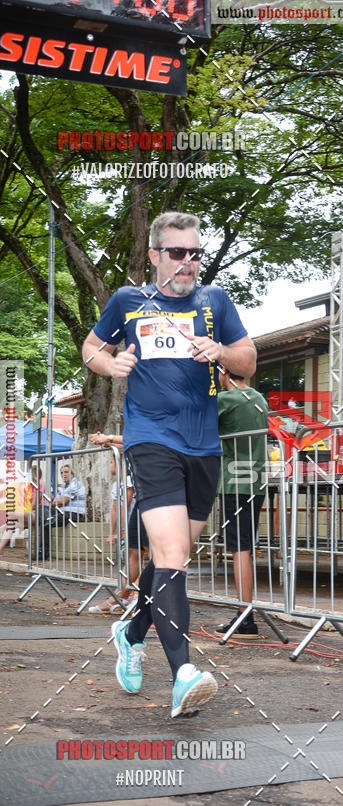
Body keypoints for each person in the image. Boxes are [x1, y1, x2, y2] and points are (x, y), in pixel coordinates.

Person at [81, 211, 256, 718]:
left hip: (203, 446)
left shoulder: (215, 302)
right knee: (173, 551)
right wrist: (109, 363)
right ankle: (183, 674)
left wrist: (219, 350)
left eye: (195, 253)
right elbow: (91, 346)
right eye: (177, 253)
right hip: (150, 438)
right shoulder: (127, 301)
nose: (187, 263)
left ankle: (131, 631)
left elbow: (247, 360)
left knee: (169, 557)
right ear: (155, 255)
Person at [216, 368, 269, 638]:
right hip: (256, 478)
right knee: (245, 546)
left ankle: (245, 615)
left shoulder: (227, 399)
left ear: (224, 371)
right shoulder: (259, 398)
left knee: (239, 548)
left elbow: (200, 428)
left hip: (234, 481)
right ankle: (244, 612)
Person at [89, 432, 150, 614]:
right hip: (144, 496)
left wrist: (110, 438)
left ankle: (149, 600)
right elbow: (138, 443)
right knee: (134, 550)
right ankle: (119, 597)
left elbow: (147, 438)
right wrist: (111, 443)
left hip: (158, 494)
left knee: (154, 554)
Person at [39, 463, 86, 561]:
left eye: (66, 472)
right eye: (61, 473)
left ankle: (43, 553)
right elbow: (55, 502)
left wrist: (58, 501)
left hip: (74, 514)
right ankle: (42, 551)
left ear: (72, 474)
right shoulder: (64, 486)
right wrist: (57, 501)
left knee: (47, 523)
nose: (63, 474)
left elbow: (62, 501)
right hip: (62, 512)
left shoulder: (75, 484)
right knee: (42, 509)